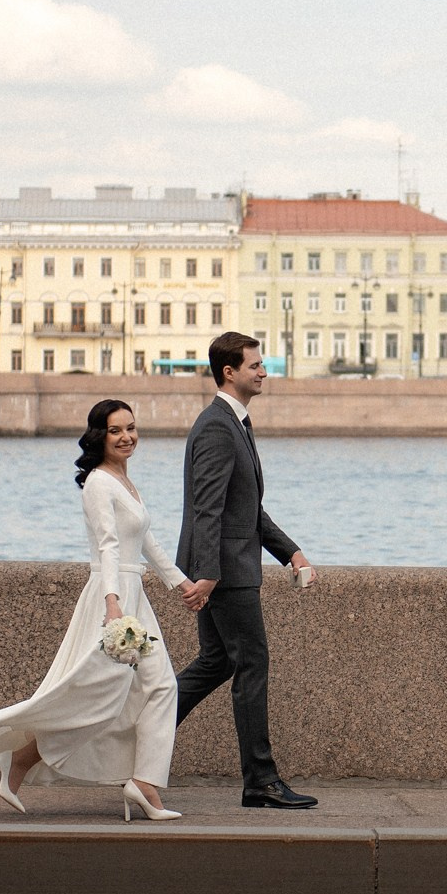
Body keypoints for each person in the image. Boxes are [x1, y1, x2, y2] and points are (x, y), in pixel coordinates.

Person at [0, 399, 189, 821]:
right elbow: (107, 545)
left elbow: (145, 540)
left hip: (132, 594)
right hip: (114, 597)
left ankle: (143, 784)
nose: (126, 437)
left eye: (131, 428)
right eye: (115, 431)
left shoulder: (125, 481)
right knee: (93, 695)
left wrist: (181, 584)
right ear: (99, 437)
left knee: (160, 688)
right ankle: (20, 757)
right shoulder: (99, 484)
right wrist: (111, 603)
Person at [174, 330, 321, 809]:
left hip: (222, 567)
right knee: (252, 665)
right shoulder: (218, 426)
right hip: (227, 573)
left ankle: (139, 731)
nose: (263, 371)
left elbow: (247, 508)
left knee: (216, 663)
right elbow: (208, 510)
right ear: (229, 372)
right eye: (255, 365)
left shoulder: (233, 422)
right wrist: (211, 574)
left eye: (263, 364)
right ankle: (260, 781)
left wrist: (291, 552)